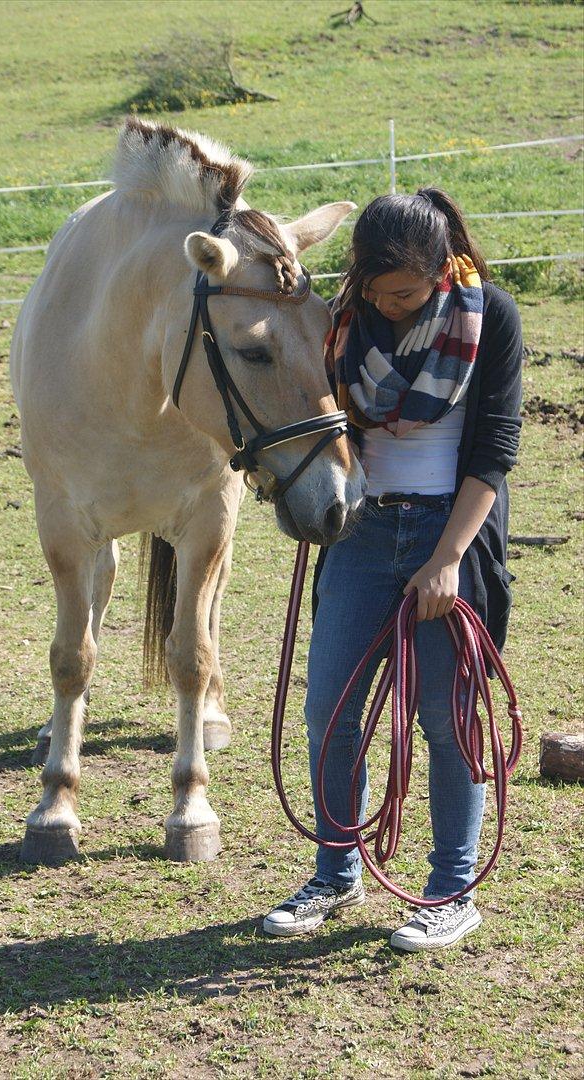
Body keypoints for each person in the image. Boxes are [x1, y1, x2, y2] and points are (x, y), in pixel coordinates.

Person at [263, 188, 523, 951]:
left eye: (405, 292)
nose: (391, 306)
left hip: (452, 531)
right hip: (364, 533)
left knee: (446, 718)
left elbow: (495, 451)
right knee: (330, 713)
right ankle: (334, 871)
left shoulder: (491, 318)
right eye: (377, 291)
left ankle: (453, 888)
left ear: (442, 268)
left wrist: (447, 562)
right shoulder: (346, 320)